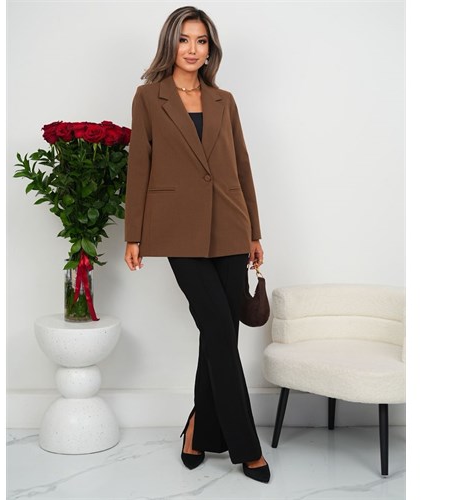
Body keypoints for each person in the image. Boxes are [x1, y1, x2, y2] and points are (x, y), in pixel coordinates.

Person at [124, 6, 270, 483]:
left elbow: (242, 164)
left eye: (201, 40)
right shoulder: (149, 97)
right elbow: (140, 166)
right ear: (171, 44)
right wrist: (133, 234)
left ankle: (197, 428)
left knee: (221, 334)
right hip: (177, 228)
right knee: (218, 328)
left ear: (211, 49)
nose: (192, 49)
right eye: (184, 39)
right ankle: (246, 447)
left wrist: (254, 231)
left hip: (229, 225)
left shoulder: (224, 100)